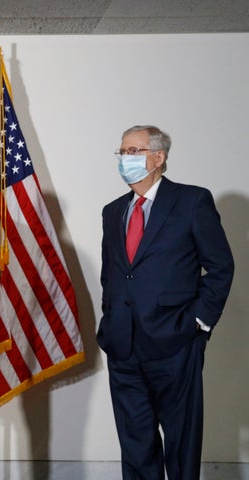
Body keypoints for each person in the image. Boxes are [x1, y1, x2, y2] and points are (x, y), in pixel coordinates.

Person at [97, 125, 234, 479]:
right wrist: (111, 318)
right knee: (135, 443)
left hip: (175, 343)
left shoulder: (191, 201)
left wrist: (199, 323)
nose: (124, 158)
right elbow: (111, 274)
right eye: (122, 151)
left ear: (158, 158)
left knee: (181, 441)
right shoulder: (113, 211)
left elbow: (220, 267)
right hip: (123, 346)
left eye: (133, 151)